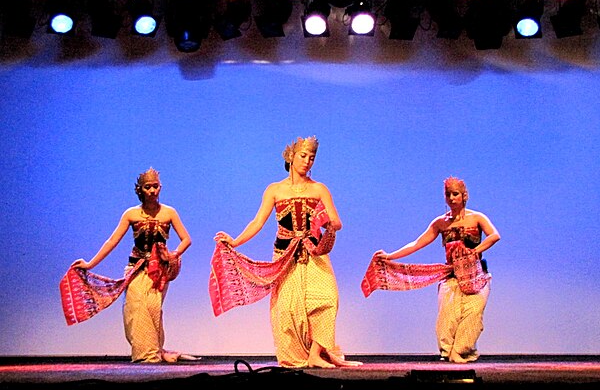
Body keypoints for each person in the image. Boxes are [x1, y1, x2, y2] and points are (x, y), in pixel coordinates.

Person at [211, 136, 362, 369]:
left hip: (315, 253)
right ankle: (299, 354)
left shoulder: (319, 189)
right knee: (289, 308)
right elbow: (257, 222)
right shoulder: (275, 190)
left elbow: (337, 221)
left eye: (312, 158)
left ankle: (315, 354)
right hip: (285, 255)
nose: (308, 161)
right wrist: (235, 241)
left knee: (328, 298)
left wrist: (326, 222)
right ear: (291, 157)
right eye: (303, 156)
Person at [362, 176, 500, 363]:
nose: (451, 198)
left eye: (455, 194)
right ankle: (449, 352)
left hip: (476, 276)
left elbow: (494, 236)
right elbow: (418, 243)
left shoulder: (477, 218)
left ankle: (460, 351)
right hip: (451, 276)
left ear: (464, 195)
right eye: (448, 194)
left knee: (473, 314)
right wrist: (390, 256)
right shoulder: (441, 223)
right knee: (447, 317)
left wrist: (475, 252)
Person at [62, 167, 193, 363]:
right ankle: (146, 353)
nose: (152, 191)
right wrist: (90, 264)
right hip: (136, 268)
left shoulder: (169, 212)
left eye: (155, 186)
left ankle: (155, 351)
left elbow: (186, 239)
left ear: (160, 188)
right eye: (147, 187)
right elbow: (112, 241)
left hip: (158, 272)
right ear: (140, 189)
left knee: (152, 308)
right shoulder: (131, 214)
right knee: (135, 307)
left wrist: (173, 254)